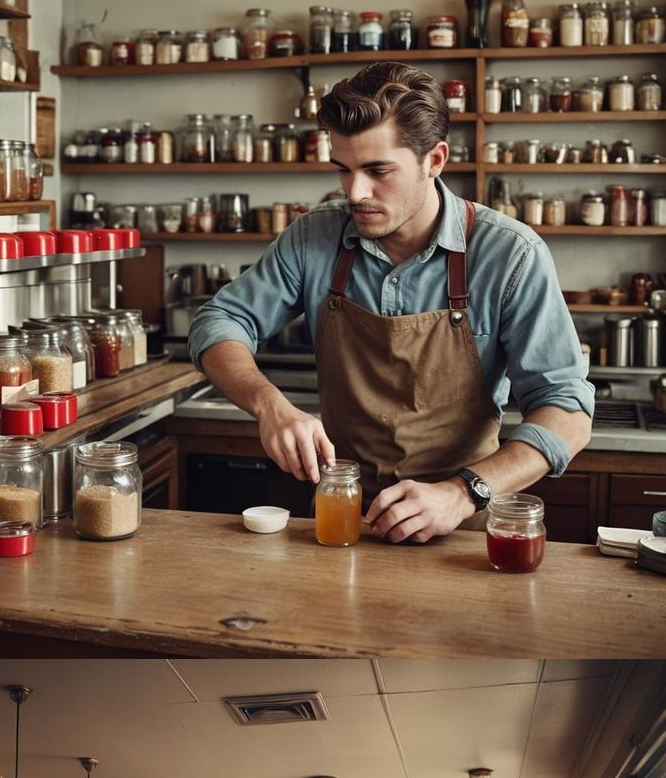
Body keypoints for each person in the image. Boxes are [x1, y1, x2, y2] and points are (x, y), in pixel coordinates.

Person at [190, 61, 592, 543]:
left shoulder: (510, 254)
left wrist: (463, 493)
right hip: (341, 512)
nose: (355, 193)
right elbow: (220, 320)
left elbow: (566, 412)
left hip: (461, 524)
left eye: (378, 171)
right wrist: (268, 404)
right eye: (344, 170)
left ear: (435, 160)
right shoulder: (313, 238)